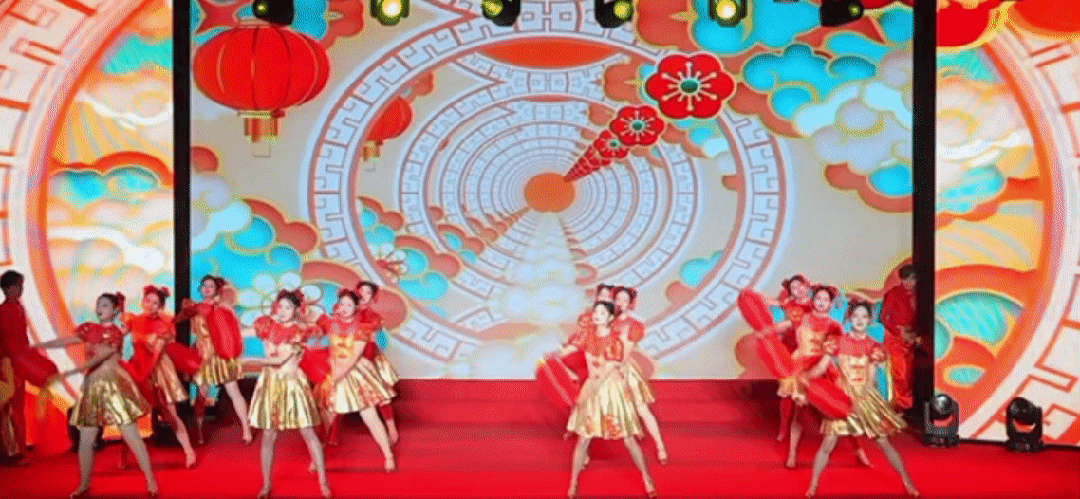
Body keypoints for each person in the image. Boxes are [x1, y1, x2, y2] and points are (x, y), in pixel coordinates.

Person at [33, 292, 159, 498]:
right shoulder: (89, 328)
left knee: (132, 436)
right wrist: (43, 344)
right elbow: (67, 340)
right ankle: (84, 484)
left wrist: (76, 370)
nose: (100, 308)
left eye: (105, 305)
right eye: (99, 304)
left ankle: (151, 481)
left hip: (114, 387)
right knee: (85, 440)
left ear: (115, 310)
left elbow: (101, 356)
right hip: (93, 387)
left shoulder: (116, 333)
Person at [807, 300, 918, 498]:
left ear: (869, 320)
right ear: (849, 318)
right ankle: (813, 486)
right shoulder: (836, 342)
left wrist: (861, 402)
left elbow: (870, 379)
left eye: (864, 316)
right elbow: (821, 367)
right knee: (827, 444)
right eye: (856, 316)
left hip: (865, 398)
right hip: (842, 400)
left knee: (884, 443)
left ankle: (907, 482)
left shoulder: (874, 346)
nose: (859, 320)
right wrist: (805, 378)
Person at [566, 301, 656, 499]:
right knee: (583, 439)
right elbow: (589, 366)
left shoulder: (615, 341)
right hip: (592, 386)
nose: (597, 315)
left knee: (629, 440)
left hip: (611, 391)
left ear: (610, 318)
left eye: (602, 312)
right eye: (595, 311)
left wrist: (588, 393)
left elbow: (607, 370)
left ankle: (646, 477)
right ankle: (573, 483)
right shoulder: (588, 336)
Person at [248, 289, 331, 499]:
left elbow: (279, 360)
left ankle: (324, 482)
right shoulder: (266, 325)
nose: (283, 311)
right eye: (280, 307)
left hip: (293, 384)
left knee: (308, 432)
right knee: (268, 435)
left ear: (296, 310)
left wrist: (247, 361)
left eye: (288, 307)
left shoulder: (300, 331)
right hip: (270, 384)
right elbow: (245, 332)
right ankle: (266, 484)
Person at [778, 285, 869, 470]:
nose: (821, 302)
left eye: (825, 300)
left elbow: (840, 349)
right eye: (818, 298)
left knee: (842, 411)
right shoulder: (802, 318)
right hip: (802, 369)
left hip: (823, 368)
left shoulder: (834, 325)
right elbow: (784, 326)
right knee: (799, 414)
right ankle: (792, 454)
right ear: (813, 300)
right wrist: (766, 332)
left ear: (830, 303)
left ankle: (859, 451)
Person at [312, 287, 395, 472]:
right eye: (342, 304)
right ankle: (316, 457)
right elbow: (312, 330)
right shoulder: (329, 323)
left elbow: (353, 358)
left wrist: (335, 379)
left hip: (354, 373)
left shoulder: (362, 329)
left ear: (357, 307)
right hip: (333, 369)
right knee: (326, 419)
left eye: (349, 305)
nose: (344, 308)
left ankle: (388, 455)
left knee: (370, 416)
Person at [120, 286, 197, 468]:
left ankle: (189, 451)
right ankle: (123, 457)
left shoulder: (164, 325)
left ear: (161, 306)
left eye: (155, 303)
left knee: (170, 414)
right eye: (148, 301)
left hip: (158, 369)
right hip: (138, 366)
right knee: (129, 415)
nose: (150, 305)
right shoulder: (133, 320)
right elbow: (118, 336)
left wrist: (145, 375)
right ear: (142, 302)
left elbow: (156, 355)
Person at [174, 275, 252, 444]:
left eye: (211, 286)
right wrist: (184, 310)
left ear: (216, 289)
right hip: (202, 355)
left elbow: (233, 331)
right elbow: (177, 320)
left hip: (220, 355)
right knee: (201, 395)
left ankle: (246, 429)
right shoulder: (194, 308)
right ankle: (199, 432)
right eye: (204, 285)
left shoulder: (223, 307)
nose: (207, 288)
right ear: (200, 288)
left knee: (234, 391)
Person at [612, 286, 668, 464]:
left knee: (642, 409)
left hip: (624, 370)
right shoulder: (606, 321)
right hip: (607, 370)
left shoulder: (634, 325)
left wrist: (616, 368)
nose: (620, 303)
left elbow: (625, 354)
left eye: (624, 300)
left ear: (630, 304)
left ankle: (660, 446)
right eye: (618, 299)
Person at [353, 281, 400, 444]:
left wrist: (367, 362)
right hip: (349, 356)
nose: (363, 295)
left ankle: (391, 428)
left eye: (368, 292)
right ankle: (331, 435)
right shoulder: (347, 312)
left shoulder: (373, 317)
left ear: (372, 297)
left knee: (381, 394)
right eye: (361, 291)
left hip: (369, 357)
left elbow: (371, 342)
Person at [0, 270, 29, 465]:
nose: (21, 289)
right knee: (9, 407)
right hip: (8, 362)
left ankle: (19, 448)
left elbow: (23, 338)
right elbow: (7, 341)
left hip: (20, 361)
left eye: (21, 286)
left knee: (18, 406)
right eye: (18, 286)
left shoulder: (19, 308)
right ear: (7, 288)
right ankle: (12, 452)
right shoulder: (4, 311)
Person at [879, 264, 918, 412]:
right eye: (906, 279)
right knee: (900, 373)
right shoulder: (894, 293)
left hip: (912, 338)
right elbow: (883, 317)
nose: (910, 282)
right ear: (901, 279)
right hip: (896, 338)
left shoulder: (919, 294)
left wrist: (914, 332)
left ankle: (906, 405)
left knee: (909, 374)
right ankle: (902, 406)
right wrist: (898, 330)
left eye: (913, 279)